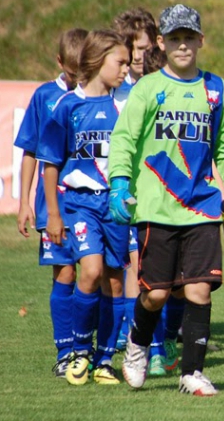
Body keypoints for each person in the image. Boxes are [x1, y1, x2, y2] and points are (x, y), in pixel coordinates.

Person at [108, 4, 224, 396]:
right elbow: (125, 140)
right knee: (157, 293)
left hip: (201, 207)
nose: (183, 45)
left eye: (189, 37)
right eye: (175, 38)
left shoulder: (217, 89)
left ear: (201, 40)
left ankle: (192, 373)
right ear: (161, 43)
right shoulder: (148, 89)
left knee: (198, 290)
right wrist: (119, 183)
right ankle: (137, 345)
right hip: (155, 208)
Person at [39, 29, 133, 386]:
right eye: (120, 62)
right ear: (96, 61)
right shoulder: (67, 106)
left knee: (114, 281)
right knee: (90, 271)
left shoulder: (125, 104)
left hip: (117, 207)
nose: (126, 69)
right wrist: (54, 213)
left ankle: (105, 359)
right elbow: (50, 162)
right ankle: (79, 351)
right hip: (80, 204)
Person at [14, 28, 88, 377]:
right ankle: (65, 351)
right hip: (52, 205)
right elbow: (30, 152)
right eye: (74, 73)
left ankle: (88, 349)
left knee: (94, 272)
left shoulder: (97, 96)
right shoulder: (45, 97)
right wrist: (25, 202)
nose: (78, 79)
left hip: (90, 203)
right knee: (66, 272)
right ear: (60, 63)